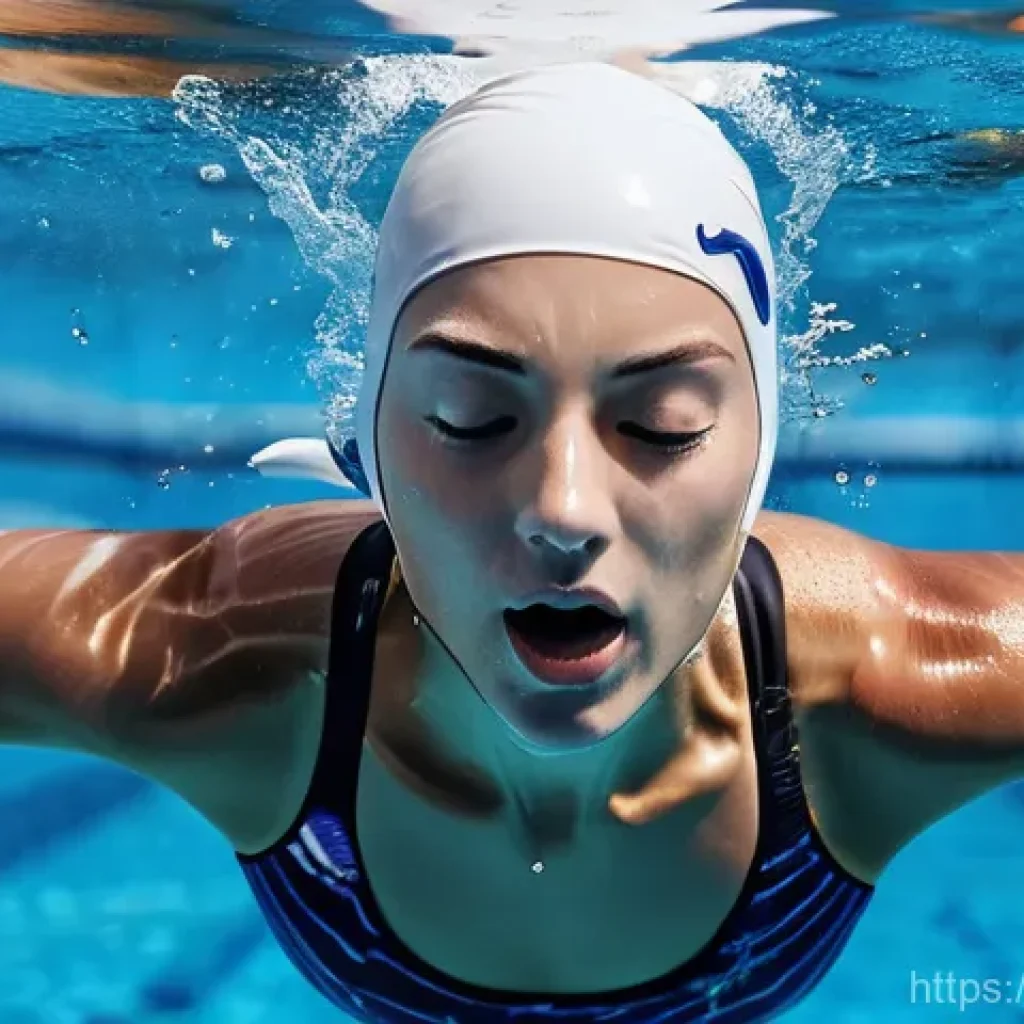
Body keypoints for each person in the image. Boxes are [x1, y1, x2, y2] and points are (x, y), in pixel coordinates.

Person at [2, 62, 1023, 1024]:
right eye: (466, 417)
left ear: (761, 449)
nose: (564, 508)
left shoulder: (890, 684)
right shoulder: (220, 661)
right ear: (366, 440)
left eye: (662, 424)